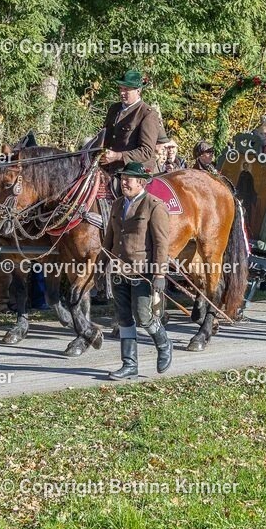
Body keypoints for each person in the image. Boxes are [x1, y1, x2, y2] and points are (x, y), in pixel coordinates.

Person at [102, 162, 172, 380]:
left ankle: (164, 343)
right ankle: (129, 364)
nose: (124, 182)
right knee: (124, 318)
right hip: (118, 271)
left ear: (140, 182)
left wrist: (159, 275)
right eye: (122, 178)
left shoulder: (154, 206)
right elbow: (109, 239)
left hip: (143, 272)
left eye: (128, 179)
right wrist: (101, 265)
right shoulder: (117, 205)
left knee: (144, 316)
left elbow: (161, 243)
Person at [98, 70, 162, 177]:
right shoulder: (114, 109)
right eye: (121, 89)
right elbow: (105, 138)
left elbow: (146, 151)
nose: (122, 93)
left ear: (138, 91)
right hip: (110, 169)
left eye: (126, 89)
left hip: (136, 173)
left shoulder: (148, 114)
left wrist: (118, 156)